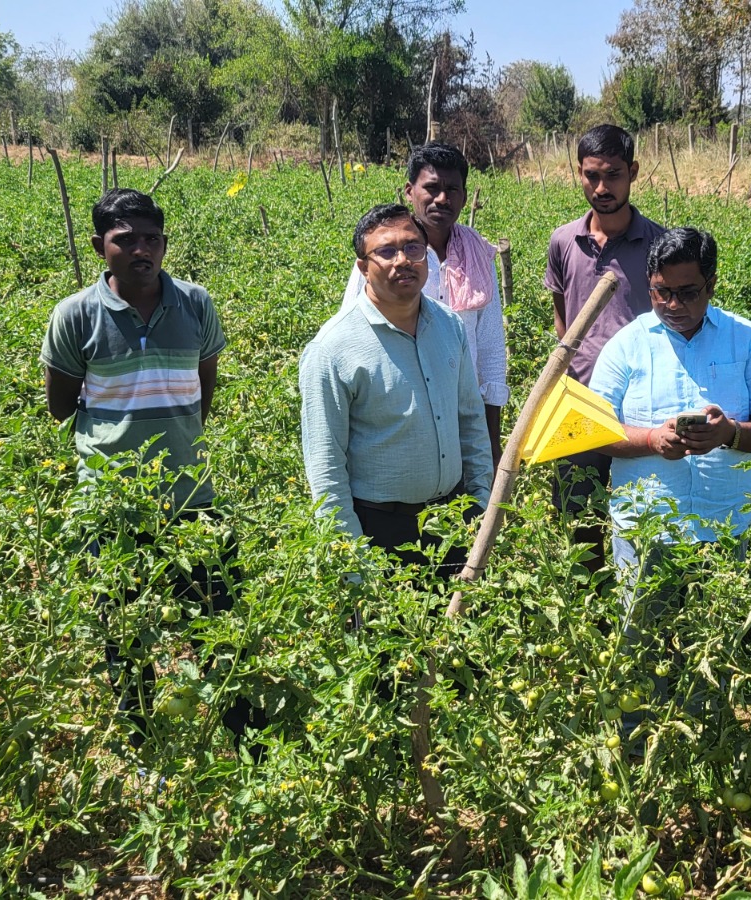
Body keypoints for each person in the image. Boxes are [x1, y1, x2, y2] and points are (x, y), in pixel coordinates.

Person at [39, 188, 264, 754]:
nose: (141, 249)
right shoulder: (75, 316)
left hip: (191, 496)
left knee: (220, 623)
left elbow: (203, 386)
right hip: (110, 504)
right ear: (99, 247)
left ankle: (250, 748)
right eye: (125, 240)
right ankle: (143, 749)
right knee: (125, 635)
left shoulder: (194, 304)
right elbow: (62, 407)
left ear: (165, 243)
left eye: (152, 239)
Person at [589, 227, 751, 729]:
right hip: (647, 526)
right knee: (640, 646)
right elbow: (592, 431)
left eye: (687, 292)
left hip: (724, 523)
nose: (673, 303)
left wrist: (730, 435)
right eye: (661, 292)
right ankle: (639, 749)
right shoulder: (626, 344)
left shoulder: (745, 338)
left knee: (713, 648)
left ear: (711, 285)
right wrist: (652, 440)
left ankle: (707, 747)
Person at [300, 203, 493, 579]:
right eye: (386, 251)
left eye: (413, 248)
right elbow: (325, 469)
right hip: (378, 534)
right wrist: (355, 562)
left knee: (459, 636)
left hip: (454, 522)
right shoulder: (332, 349)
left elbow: (471, 424)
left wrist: (480, 509)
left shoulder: (450, 327)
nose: (402, 260)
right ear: (363, 267)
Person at [545, 123, 666, 572]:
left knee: (646, 513)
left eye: (613, 174)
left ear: (633, 172)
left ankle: (639, 609)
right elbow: (563, 317)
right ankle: (590, 613)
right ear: (578, 173)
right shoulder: (564, 240)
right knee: (579, 520)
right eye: (591, 175)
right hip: (579, 401)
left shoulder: (659, 242)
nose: (602, 187)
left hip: (642, 403)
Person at [342, 142, 508, 463]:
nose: (442, 199)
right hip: (397, 416)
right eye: (431, 188)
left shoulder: (479, 255)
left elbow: (489, 350)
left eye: (452, 189)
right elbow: (351, 336)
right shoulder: (384, 254)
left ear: (463, 195)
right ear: (409, 191)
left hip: (462, 417)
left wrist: (490, 441)